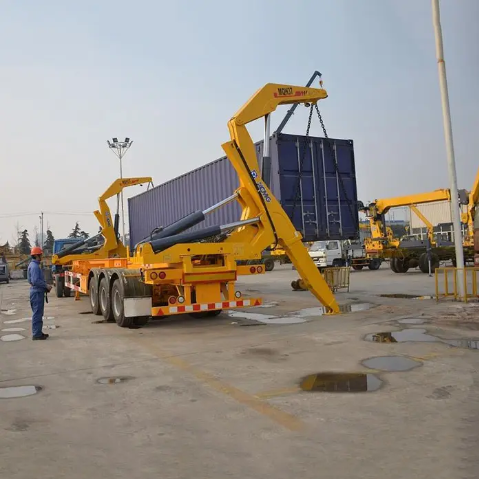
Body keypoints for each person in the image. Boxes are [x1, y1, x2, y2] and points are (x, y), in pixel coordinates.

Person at [27, 246, 52, 340]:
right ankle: (36, 334)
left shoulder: (32, 265)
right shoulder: (34, 267)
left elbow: (30, 280)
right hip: (37, 292)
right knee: (37, 313)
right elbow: (35, 280)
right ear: (37, 255)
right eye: (40, 254)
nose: (41, 256)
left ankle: (38, 332)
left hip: (37, 291)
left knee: (38, 313)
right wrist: (46, 286)